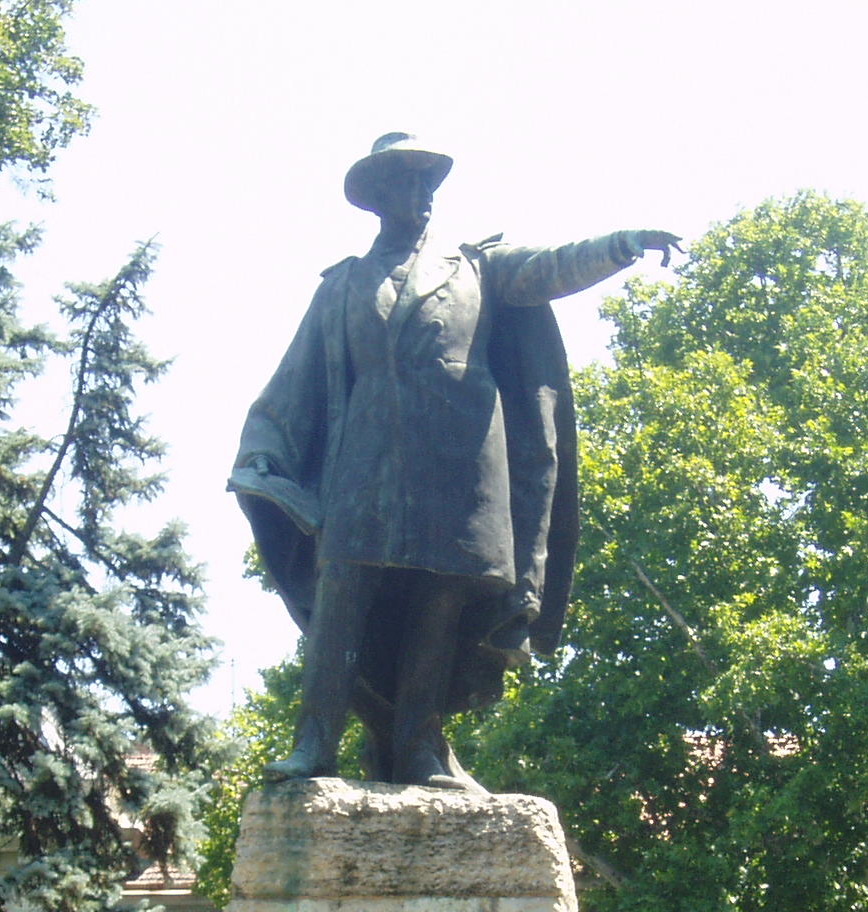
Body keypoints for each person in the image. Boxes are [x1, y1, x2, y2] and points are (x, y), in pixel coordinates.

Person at [230, 133, 678, 790]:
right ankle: (314, 742)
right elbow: (296, 380)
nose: (422, 194)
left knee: (439, 603)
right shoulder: (342, 286)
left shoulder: (477, 266)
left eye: (427, 181)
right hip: (365, 462)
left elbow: (550, 267)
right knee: (341, 591)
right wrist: (264, 452)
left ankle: (421, 748)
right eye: (406, 182)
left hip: (461, 465)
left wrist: (621, 245)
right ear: (377, 197)